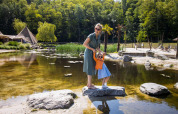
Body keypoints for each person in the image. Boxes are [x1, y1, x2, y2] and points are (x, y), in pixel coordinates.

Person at [83, 23, 103, 89]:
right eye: (95, 28)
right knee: (90, 68)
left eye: (98, 29)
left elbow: (97, 46)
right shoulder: (91, 35)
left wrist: (101, 52)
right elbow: (84, 44)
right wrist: (92, 49)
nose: (96, 30)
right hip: (88, 53)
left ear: (100, 30)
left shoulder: (99, 36)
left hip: (94, 54)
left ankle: (89, 83)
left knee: (92, 67)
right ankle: (89, 85)